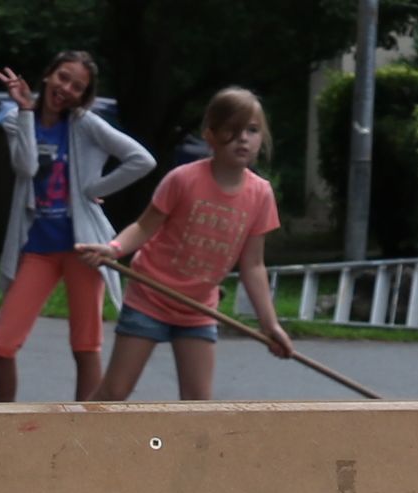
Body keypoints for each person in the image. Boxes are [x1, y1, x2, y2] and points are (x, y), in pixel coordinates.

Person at [82, 87, 290, 402]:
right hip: (150, 296)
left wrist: (269, 324)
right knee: (114, 392)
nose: (243, 139)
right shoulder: (183, 179)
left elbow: (253, 265)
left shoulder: (261, 194)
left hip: (198, 309)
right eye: (231, 131)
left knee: (197, 404)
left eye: (252, 130)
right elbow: (143, 227)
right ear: (210, 135)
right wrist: (113, 249)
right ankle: (68, 443)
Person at [0, 51, 153, 404]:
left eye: (77, 86)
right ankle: (0, 424)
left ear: (83, 95)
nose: (66, 89)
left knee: (85, 345)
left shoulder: (85, 123)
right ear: (48, 75)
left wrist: (93, 189)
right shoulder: (17, 121)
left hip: (84, 250)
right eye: (63, 77)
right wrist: (26, 111)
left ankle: (82, 428)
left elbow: (142, 159)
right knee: (2, 344)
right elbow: (28, 168)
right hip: (37, 249)